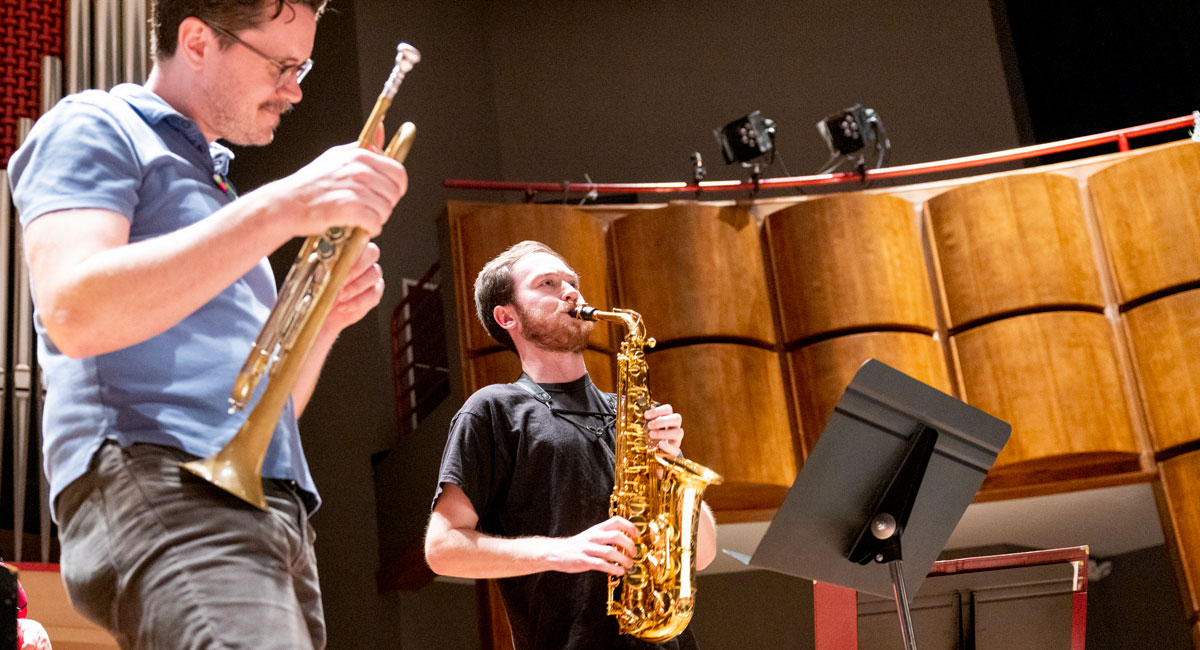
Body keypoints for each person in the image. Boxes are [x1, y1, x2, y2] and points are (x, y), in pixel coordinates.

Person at [6, 1, 408, 648]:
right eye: (281, 64)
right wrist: (282, 205)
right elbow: (74, 312)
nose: (295, 88)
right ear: (196, 41)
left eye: (301, 66)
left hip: (266, 503)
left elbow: (262, 407)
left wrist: (326, 322)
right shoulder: (96, 123)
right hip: (158, 472)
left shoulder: (217, 192)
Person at [424, 241, 718, 650]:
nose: (570, 292)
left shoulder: (634, 411)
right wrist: (563, 552)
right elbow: (443, 548)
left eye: (572, 282)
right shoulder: (493, 410)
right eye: (548, 283)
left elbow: (700, 556)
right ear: (507, 316)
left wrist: (671, 461)